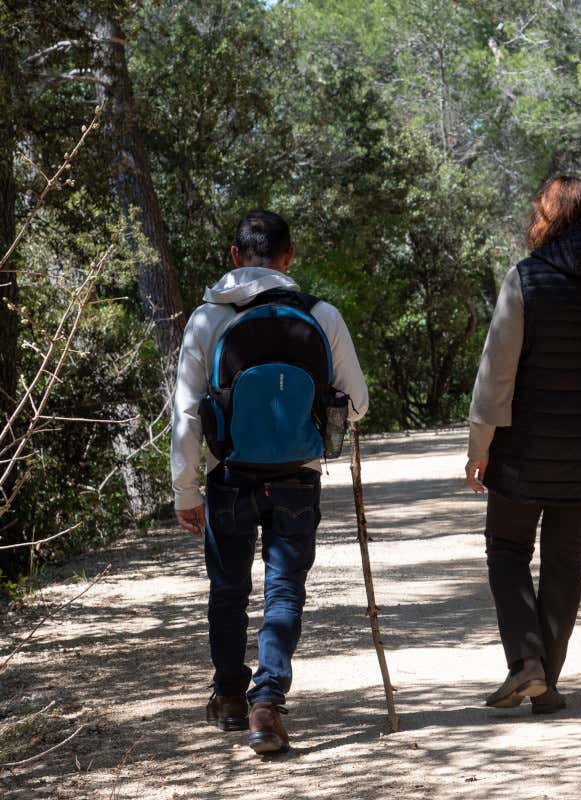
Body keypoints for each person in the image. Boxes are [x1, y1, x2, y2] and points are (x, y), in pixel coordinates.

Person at [171, 210, 369, 754]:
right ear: (290, 257)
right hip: (297, 479)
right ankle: (268, 701)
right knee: (285, 590)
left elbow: (187, 415)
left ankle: (230, 698)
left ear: (234, 257)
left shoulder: (206, 321)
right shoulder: (321, 314)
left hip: (228, 477)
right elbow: (358, 402)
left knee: (228, 590)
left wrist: (185, 492)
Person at [465, 176, 581, 715]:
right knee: (565, 560)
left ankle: (528, 665)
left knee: (506, 549)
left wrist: (480, 443)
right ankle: (545, 682)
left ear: (544, 220)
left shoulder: (525, 279)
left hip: (522, 448)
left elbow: (495, 374)